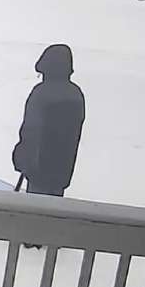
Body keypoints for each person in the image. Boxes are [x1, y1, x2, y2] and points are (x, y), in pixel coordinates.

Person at [13, 44, 86, 197]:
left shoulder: (41, 93)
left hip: (38, 170)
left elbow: (31, 131)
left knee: (35, 211)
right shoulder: (76, 94)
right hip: (62, 171)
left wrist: (22, 159)